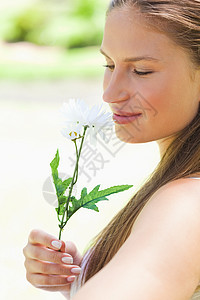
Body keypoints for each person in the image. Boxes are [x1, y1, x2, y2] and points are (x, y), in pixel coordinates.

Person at [23, 0, 200, 299]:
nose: (109, 93)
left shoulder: (185, 204)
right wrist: (85, 277)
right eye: (109, 65)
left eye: (141, 71)